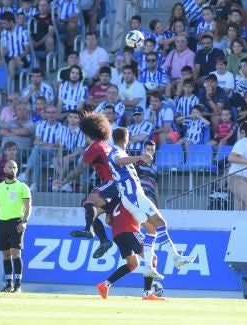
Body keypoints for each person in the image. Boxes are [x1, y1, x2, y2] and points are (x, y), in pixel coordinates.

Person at [107, 127, 195, 279]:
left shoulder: (120, 152)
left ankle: (148, 267)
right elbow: (118, 161)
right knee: (161, 222)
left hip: (131, 197)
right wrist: (140, 157)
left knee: (152, 229)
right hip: (133, 195)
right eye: (129, 136)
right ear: (126, 138)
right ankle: (176, 257)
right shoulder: (116, 152)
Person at [55, 112, 120, 259]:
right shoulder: (105, 145)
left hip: (112, 183)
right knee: (91, 212)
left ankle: (88, 230)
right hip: (116, 186)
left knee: (88, 202)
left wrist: (63, 181)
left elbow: (79, 170)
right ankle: (104, 241)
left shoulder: (94, 147)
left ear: (87, 133)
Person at [95, 202, 165, 301]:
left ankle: (105, 285)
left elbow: (108, 221)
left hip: (117, 234)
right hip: (130, 231)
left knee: (133, 264)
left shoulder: (115, 202)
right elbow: (146, 223)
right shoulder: (134, 199)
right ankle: (147, 293)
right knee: (152, 258)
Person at [0, 158, 32, 293]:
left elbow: (28, 207)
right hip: (2, 223)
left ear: (17, 170)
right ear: (4, 169)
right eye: (9, 167)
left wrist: (24, 222)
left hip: (16, 223)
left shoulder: (23, 187)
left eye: (14, 167)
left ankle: (18, 284)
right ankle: (8, 284)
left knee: (15, 253)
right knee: (5, 255)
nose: (12, 169)